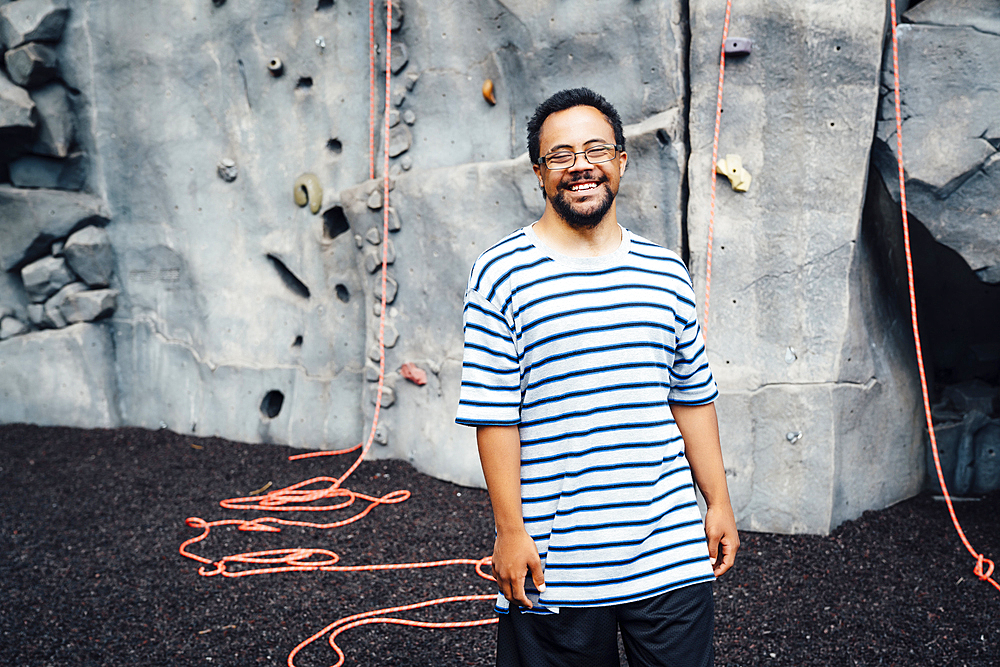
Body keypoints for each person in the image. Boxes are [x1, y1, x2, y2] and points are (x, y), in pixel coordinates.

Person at [455, 87, 739, 667]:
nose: (580, 165)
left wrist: (718, 501)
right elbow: (493, 416)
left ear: (621, 160)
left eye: (595, 149)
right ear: (539, 173)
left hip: (670, 549)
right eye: (559, 155)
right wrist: (509, 531)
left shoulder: (666, 273)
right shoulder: (501, 273)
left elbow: (691, 398)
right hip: (555, 561)